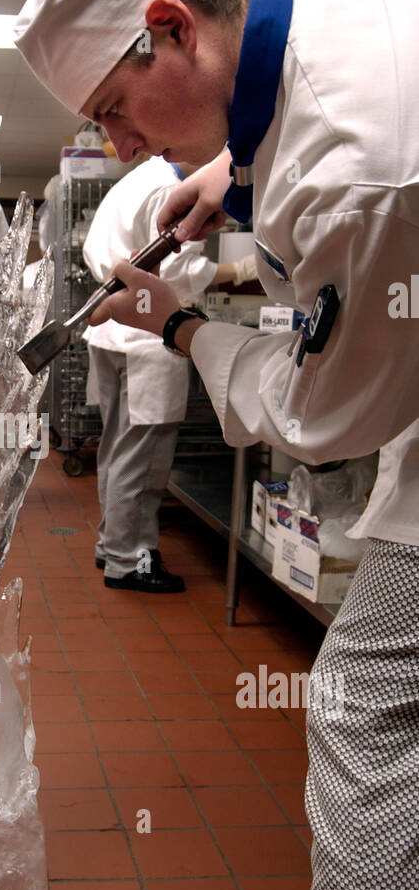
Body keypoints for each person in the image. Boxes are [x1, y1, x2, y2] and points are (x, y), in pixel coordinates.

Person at [14, 0, 419, 890]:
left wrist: (186, 330)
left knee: (365, 707)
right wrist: (231, 175)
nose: (117, 146)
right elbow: (299, 96)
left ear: (173, 25)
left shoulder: (358, 168)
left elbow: (322, 418)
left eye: (116, 109)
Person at [83, 155, 257, 593]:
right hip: (147, 337)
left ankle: (113, 544)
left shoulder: (137, 179)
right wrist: (238, 271)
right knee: (142, 457)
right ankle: (129, 562)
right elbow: (179, 272)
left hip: (110, 333)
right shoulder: (169, 191)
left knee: (117, 448)